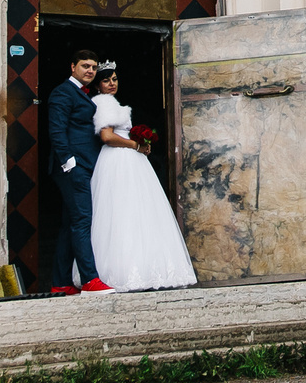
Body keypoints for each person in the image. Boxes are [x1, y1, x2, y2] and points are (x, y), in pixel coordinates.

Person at [86, 63, 196, 290]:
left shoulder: (111, 102)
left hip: (127, 158)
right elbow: (107, 136)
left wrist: (139, 144)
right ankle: (126, 269)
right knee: (125, 209)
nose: (112, 84)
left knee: (132, 209)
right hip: (118, 159)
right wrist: (135, 145)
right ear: (98, 85)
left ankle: (137, 265)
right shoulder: (103, 102)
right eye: (107, 80)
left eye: (115, 79)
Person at [42, 52, 112, 294]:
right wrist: (68, 162)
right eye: (85, 66)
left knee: (70, 223)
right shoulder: (63, 92)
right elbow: (57, 129)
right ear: (72, 67)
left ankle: (60, 282)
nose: (90, 71)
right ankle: (90, 280)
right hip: (74, 167)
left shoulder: (86, 95)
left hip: (85, 165)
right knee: (82, 221)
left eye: (93, 67)